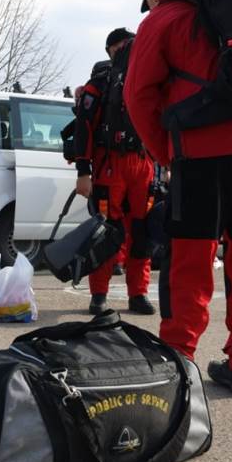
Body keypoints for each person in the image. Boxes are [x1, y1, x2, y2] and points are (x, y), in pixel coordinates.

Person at [124, 0, 232, 397]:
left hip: (201, 152)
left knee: (190, 259)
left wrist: (165, 154)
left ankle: (178, 363)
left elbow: (138, 96)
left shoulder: (163, 19)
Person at [73, 27, 156, 316]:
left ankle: (138, 293)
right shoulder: (99, 84)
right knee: (107, 232)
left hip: (143, 164)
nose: (129, 48)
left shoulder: (149, 77)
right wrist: (83, 171)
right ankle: (99, 294)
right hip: (110, 165)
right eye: (122, 45)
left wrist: (165, 165)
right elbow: (83, 128)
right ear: (110, 49)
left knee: (142, 232)